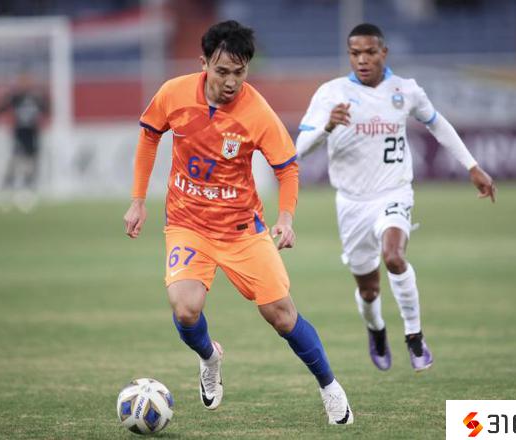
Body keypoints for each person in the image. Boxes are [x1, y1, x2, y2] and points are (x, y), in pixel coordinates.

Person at [123, 20, 353, 425]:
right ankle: (209, 358)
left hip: (241, 230)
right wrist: (138, 201)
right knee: (186, 310)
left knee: (282, 315)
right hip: (188, 223)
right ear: (203, 63)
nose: (231, 82)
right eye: (222, 71)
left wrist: (285, 218)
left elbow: (287, 167)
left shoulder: (257, 112)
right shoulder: (173, 93)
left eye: (240, 72)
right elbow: (149, 135)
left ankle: (330, 387)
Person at [295, 23, 496, 372]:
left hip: (394, 191)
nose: (362, 59)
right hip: (352, 203)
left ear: (383, 53)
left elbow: (437, 123)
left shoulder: (406, 90)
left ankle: (415, 336)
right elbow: (299, 150)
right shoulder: (331, 94)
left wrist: (472, 166)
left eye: (369, 52)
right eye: (355, 53)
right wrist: (327, 126)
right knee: (369, 289)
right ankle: (376, 330)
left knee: (393, 256)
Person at [0, 70, 48, 212]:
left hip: (32, 135)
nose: (24, 83)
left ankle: (27, 192)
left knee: (32, 164)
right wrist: (1, 99)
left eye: (27, 80)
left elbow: (47, 109)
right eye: (22, 80)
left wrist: (44, 98)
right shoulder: (15, 97)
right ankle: (6, 191)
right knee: (15, 162)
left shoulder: (36, 97)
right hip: (19, 134)